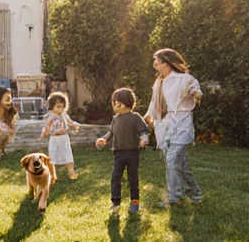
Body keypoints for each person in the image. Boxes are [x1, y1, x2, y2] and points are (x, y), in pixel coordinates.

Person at [143, 48, 203, 208]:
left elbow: (194, 90)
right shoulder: (159, 83)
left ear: (168, 63)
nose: (155, 63)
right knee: (180, 164)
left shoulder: (184, 79)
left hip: (181, 124)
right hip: (165, 125)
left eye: (158, 60)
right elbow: (153, 102)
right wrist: (148, 116)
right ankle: (195, 193)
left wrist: (197, 95)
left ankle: (174, 198)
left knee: (172, 160)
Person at [95, 87, 150, 215]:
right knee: (115, 177)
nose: (115, 105)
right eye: (114, 103)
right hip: (118, 152)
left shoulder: (135, 117)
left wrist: (144, 138)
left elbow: (144, 130)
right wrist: (104, 139)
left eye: (118, 103)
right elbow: (111, 132)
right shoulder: (116, 119)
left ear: (128, 102)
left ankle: (135, 202)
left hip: (132, 152)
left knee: (133, 178)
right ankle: (115, 202)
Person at [39, 91, 82, 180]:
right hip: (54, 138)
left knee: (68, 153)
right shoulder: (50, 117)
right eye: (58, 107)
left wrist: (74, 125)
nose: (60, 109)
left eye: (62, 107)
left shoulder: (63, 115)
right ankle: (52, 174)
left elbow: (69, 121)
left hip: (64, 137)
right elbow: (47, 126)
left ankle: (71, 171)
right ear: (51, 106)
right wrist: (43, 134)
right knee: (52, 155)